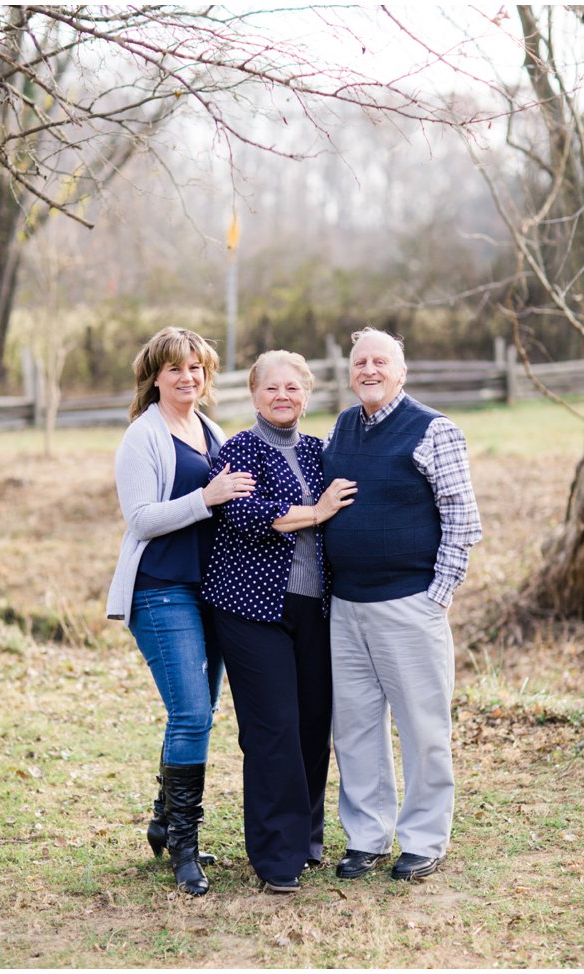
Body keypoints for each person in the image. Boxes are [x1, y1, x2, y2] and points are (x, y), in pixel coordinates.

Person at [321, 327, 482, 882]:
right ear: (349, 371)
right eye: (360, 361)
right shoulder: (341, 427)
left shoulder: (434, 429)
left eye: (380, 361)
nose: (368, 369)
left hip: (410, 604)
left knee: (422, 728)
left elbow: (463, 522)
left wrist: (436, 598)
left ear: (401, 371)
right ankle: (367, 836)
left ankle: (423, 840)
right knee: (356, 728)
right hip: (345, 608)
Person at [105, 327, 256, 895]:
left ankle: (165, 821)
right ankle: (184, 849)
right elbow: (141, 518)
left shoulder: (211, 430)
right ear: (155, 377)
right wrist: (206, 498)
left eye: (197, 368)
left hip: (210, 591)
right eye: (176, 369)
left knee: (197, 712)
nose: (188, 377)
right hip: (161, 589)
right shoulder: (142, 438)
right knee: (192, 714)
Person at [201, 350, 357, 893]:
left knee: (314, 723)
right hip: (251, 610)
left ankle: (306, 838)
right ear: (254, 394)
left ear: (307, 394)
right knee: (273, 731)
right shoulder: (240, 448)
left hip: (315, 608)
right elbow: (245, 516)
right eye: (272, 388)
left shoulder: (320, 452)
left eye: (293, 387)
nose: (282, 396)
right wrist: (318, 512)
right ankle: (276, 859)